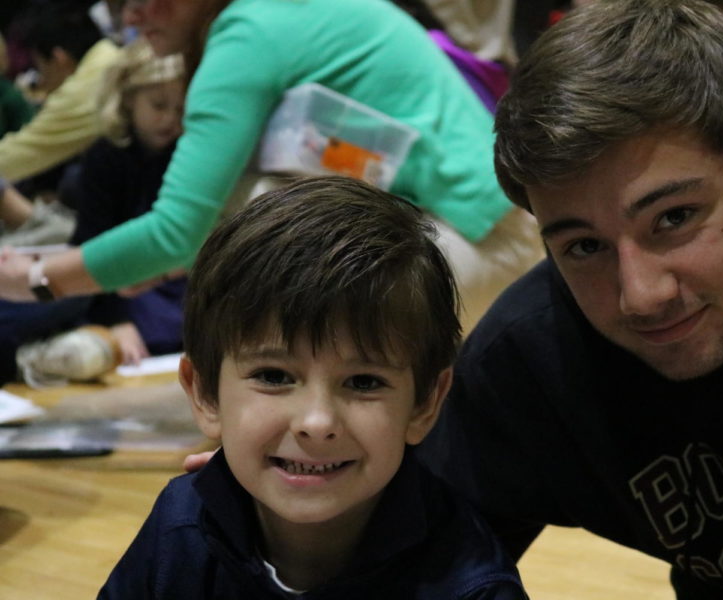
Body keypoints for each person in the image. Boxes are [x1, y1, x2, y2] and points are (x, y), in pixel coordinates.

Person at [414, 0, 723, 598]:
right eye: (585, 247)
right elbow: (417, 564)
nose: (641, 298)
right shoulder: (533, 361)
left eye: (674, 218)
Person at [0, 0, 543, 336]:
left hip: (473, 253)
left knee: (248, 210)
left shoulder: (247, 33)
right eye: (119, 4)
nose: (131, 17)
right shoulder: (277, 13)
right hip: (501, 241)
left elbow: (174, 231)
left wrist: (35, 278)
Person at [98, 176, 527, 599]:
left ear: (424, 404)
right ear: (205, 393)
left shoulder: (474, 588)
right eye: (274, 376)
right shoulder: (178, 526)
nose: (317, 422)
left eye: (363, 382)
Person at [0, 39, 186, 385]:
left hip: (169, 279)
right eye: (159, 105)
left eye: (181, 109)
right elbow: (93, 246)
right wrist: (117, 320)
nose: (170, 119)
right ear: (129, 100)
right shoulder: (105, 157)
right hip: (113, 280)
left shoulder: (187, 151)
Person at [0, 2, 121, 182]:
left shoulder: (82, 90)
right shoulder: (109, 54)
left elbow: (18, 156)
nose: (41, 80)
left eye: (40, 67)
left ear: (59, 59)